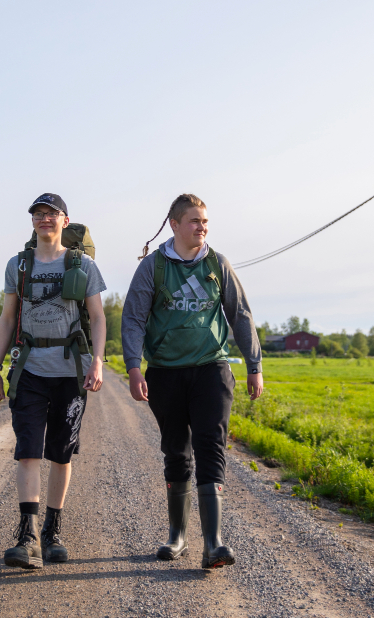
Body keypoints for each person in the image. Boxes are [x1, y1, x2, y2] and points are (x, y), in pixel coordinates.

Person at [121, 193, 263, 569]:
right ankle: (177, 536)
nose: (202, 228)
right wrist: (133, 367)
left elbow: (240, 314)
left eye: (205, 222)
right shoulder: (153, 267)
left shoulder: (217, 264)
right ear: (175, 224)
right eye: (195, 221)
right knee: (176, 451)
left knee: (210, 446)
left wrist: (254, 364)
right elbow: (133, 318)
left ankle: (213, 543)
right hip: (165, 372)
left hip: (211, 369)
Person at [0, 193, 107, 570]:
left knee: (61, 452)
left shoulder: (82, 264)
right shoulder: (18, 265)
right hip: (29, 370)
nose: (44, 219)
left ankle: (52, 533)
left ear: (64, 220)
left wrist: (97, 361)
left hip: (71, 372)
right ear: (33, 222)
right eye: (38, 214)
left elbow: (98, 317)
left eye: (51, 214)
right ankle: (28, 537)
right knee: (28, 449)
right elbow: (8, 318)